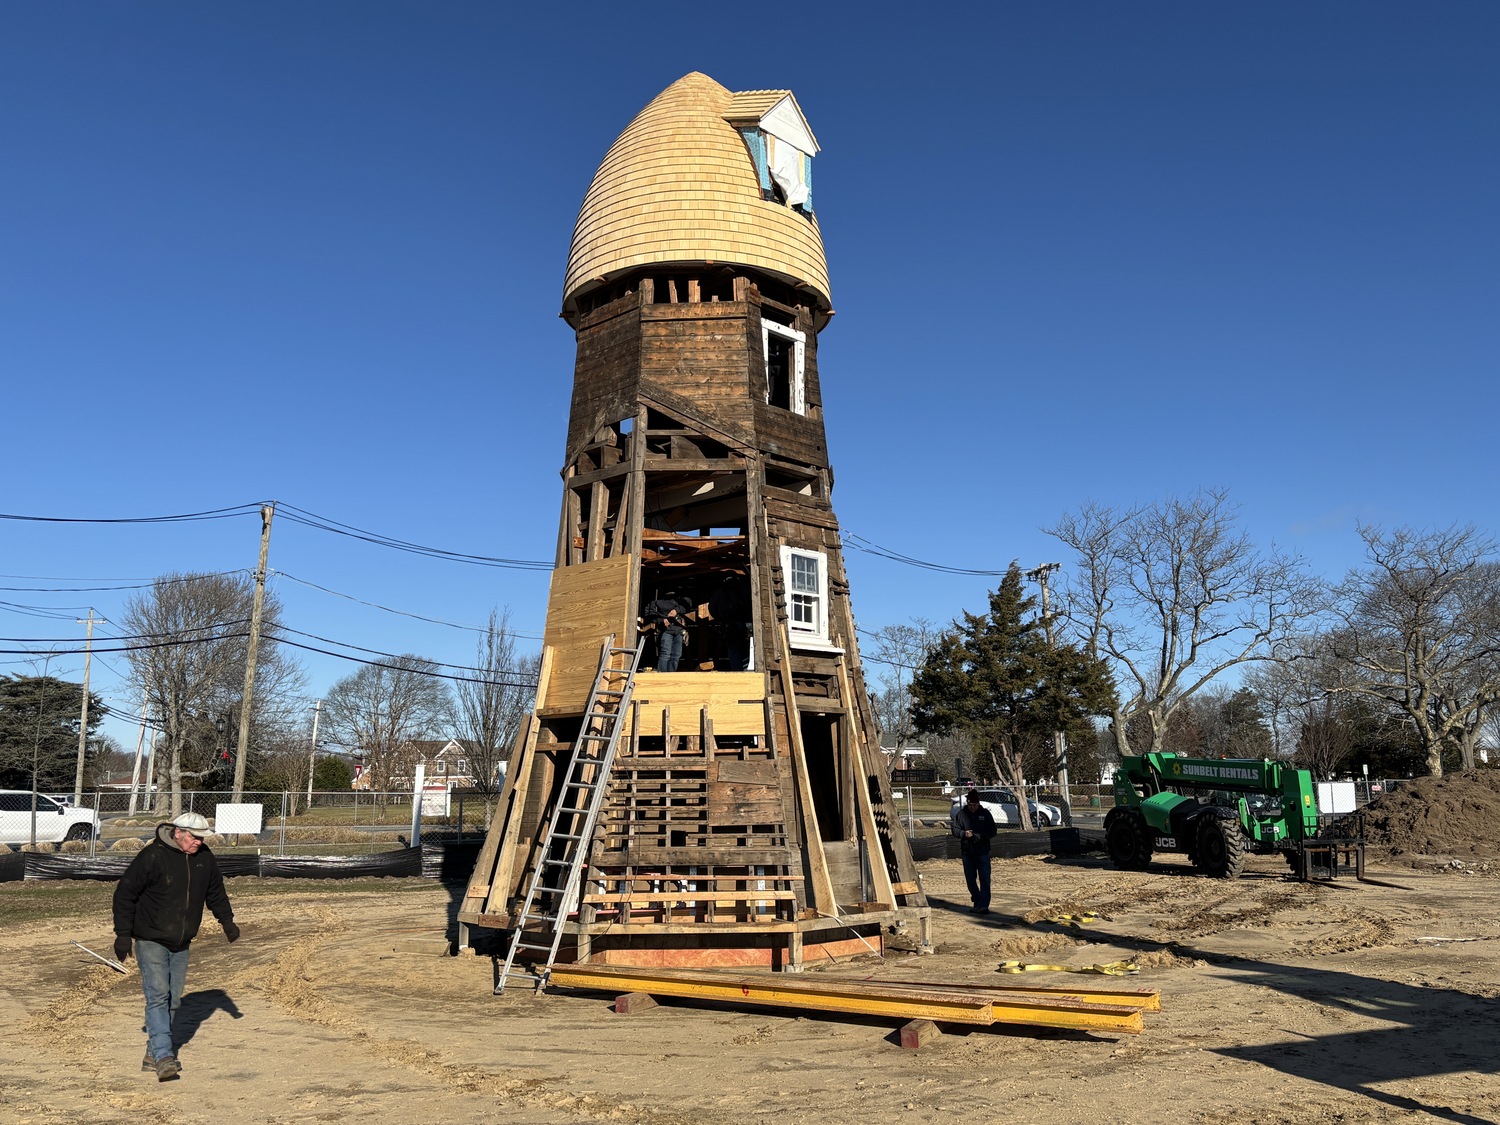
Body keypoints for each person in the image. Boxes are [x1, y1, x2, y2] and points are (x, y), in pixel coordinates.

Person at [112, 811, 240, 1081]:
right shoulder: (153, 856)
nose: (199, 843)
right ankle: (163, 1057)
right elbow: (125, 893)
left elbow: (215, 892)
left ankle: (152, 1053)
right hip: (150, 939)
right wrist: (123, 934)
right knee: (158, 995)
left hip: (182, 942)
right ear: (178, 832)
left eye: (203, 838)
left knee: (173, 999)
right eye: (195, 837)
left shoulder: (204, 858)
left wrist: (226, 921)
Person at [951, 789, 997, 915]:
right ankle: (977, 900)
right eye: (970, 805)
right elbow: (955, 830)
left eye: (974, 805)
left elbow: (993, 831)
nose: (972, 807)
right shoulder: (961, 814)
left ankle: (983, 905)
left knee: (985, 879)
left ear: (978, 803)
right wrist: (963, 834)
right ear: (967, 802)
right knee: (970, 880)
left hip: (982, 851)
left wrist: (979, 836)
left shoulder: (985, 814)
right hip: (967, 852)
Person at [643, 591, 691, 672]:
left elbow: (688, 604)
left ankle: (670, 674)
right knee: (666, 654)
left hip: (678, 631)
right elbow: (650, 615)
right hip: (666, 631)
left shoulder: (680, 600)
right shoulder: (657, 602)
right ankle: (663, 674)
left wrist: (677, 610)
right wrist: (662, 620)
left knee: (676, 655)